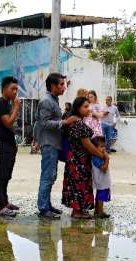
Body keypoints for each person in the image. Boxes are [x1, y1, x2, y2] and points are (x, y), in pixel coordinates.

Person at [34, 72, 79, 219]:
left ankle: (47, 205)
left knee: (51, 175)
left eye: (63, 84)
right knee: (48, 175)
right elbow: (44, 123)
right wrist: (64, 122)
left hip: (54, 143)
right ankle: (43, 208)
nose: (64, 87)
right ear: (53, 86)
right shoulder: (47, 101)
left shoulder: (53, 100)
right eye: (61, 84)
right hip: (49, 143)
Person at [62, 96, 108, 219]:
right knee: (78, 184)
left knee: (78, 184)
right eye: (85, 106)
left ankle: (78, 210)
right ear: (78, 108)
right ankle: (77, 212)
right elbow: (88, 146)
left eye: (89, 106)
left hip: (77, 158)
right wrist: (102, 155)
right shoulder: (77, 123)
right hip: (78, 160)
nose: (89, 109)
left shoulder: (76, 120)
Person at [0, 75, 20, 217]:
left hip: (9, 144)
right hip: (2, 144)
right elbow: (8, 122)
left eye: (16, 89)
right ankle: (1, 206)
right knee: (1, 175)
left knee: (7, 175)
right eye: (12, 89)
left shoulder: (7, 104)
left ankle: (5, 201)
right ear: (4, 89)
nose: (15, 92)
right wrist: (16, 108)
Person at [91, 136, 112, 218]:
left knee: (99, 195)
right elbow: (103, 169)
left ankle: (97, 211)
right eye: (101, 147)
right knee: (101, 196)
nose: (104, 149)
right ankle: (100, 212)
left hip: (101, 180)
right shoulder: (96, 157)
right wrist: (107, 159)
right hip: (101, 180)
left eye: (104, 146)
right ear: (95, 148)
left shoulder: (98, 156)